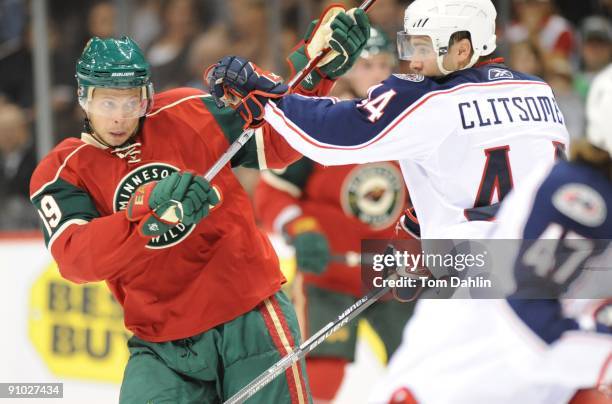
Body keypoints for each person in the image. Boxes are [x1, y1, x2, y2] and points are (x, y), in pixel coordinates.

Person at [210, 0, 573, 402]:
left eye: (424, 47)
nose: (413, 61)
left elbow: (332, 135)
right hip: (564, 271)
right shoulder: (540, 93)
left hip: (476, 275)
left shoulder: (430, 98)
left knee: (416, 391)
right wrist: (433, 217)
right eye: (410, 46)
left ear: (463, 49)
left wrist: (264, 93)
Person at [29, 7, 370, 402]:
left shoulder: (185, 112)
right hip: (162, 343)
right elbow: (76, 259)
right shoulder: (63, 171)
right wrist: (147, 211)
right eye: (107, 103)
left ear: (147, 97)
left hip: (248, 316)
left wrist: (316, 73)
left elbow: (275, 141)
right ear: (84, 99)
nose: (121, 117)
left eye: (132, 102)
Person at [253, 27, 414, 402]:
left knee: (417, 371)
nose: (377, 75)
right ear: (347, 73)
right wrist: (301, 229)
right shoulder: (324, 122)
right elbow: (272, 191)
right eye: (366, 66)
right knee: (319, 379)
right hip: (331, 277)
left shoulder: (411, 120)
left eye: (384, 66)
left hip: (395, 276)